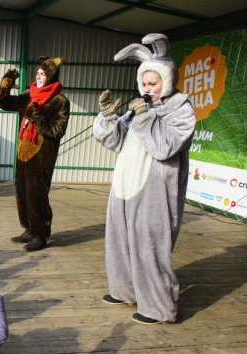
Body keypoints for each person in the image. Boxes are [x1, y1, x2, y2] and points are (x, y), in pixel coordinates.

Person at [92, 33, 196, 324]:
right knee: (119, 240)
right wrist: (108, 117)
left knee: (150, 246)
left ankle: (159, 308)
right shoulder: (139, 107)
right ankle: (125, 290)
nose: (148, 89)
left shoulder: (181, 108)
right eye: (145, 83)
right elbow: (115, 141)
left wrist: (147, 116)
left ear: (168, 80)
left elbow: (166, 147)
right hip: (124, 185)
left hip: (153, 192)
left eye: (154, 83)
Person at [0, 55, 70, 251]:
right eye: (38, 72)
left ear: (51, 76)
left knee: (38, 194)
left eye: (43, 73)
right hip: (24, 151)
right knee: (22, 191)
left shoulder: (60, 101)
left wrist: (35, 117)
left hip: (42, 155)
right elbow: (5, 104)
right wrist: (4, 87)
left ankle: (41, 234)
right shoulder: (29, 95)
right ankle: (29, 228)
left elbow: (57, 131)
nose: (39, 76)